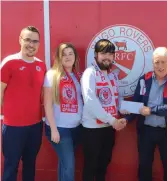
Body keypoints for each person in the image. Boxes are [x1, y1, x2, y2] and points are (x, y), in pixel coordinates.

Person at [125, 47, 167, 181]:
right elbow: (136, 104)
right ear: (152, 63)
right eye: (157, 62)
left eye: (163, 62)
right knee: (144, 167)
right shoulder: (144, 79)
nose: (160, 66)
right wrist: (126, 119)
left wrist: (151, 110)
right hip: (146, 131)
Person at [1, 26, 46, 181]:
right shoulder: (9, 62)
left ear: (39, 44)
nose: (31, 44)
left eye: (35, 41)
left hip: (35, 126)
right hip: (13, 127)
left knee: (30, 165)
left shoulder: (42, 65)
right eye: (27, 40)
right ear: (20, 40)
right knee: (10, 166)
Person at [81, 39, 127, 181]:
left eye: (110, 54)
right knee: (91, 166)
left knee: (103, 165)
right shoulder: (90, 73)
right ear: (96, 55)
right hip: (92, 129)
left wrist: (126, 110)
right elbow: (90, 101)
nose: (107, 57)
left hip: (109, 128)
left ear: (114, 57)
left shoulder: (112, 75)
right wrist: (113, 120)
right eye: (103, 53)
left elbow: (116, 99)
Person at [43, 43, 83, 181]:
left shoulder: (77, 76)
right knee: (69, 166)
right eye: (64, 54)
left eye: (70, 53)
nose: (67, 57)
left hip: (76, 128)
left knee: (65, 164)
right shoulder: (52, 75)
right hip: (60, 129)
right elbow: (47, 104)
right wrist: (54, 129)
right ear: (59, 57)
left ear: (75, 57)